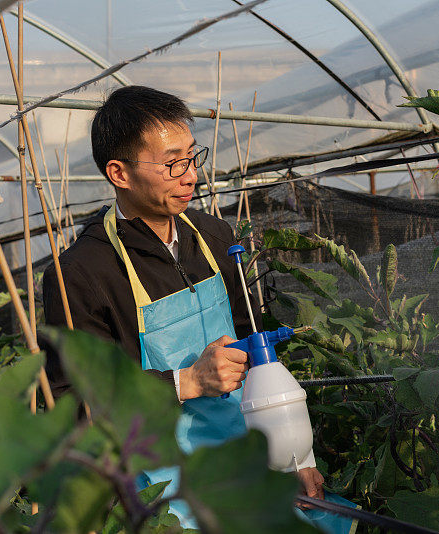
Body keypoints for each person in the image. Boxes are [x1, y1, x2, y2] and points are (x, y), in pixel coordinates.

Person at [42, 86, 327, 527]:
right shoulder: (82, 272)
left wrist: (293, 456)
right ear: (120, 172)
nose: (191, 176)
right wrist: (184, 381)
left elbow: (258, 353)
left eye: (193, 158)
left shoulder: (213, 237)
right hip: (159, 490)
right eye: (173, 163)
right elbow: (74, 406)